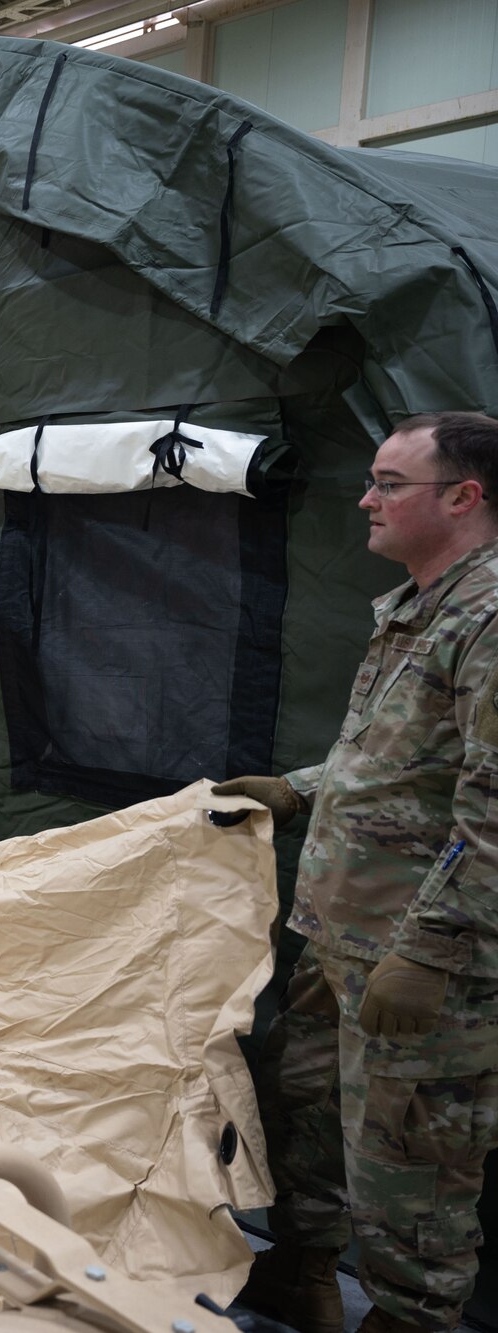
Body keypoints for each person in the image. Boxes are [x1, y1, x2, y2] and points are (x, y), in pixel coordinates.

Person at [220, 412, 498, 1333]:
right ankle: (299, 1275)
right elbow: (395, 761)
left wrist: (433, 950)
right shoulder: (424, 605)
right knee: (306, 1123)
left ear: (464, 496)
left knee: (412, 1168)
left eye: (389, 482)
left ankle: (409, 1319)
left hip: (420, 960)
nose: (366, 499)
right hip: (341, 934)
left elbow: (493, 805)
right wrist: (299, 790)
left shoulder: (491, 618)